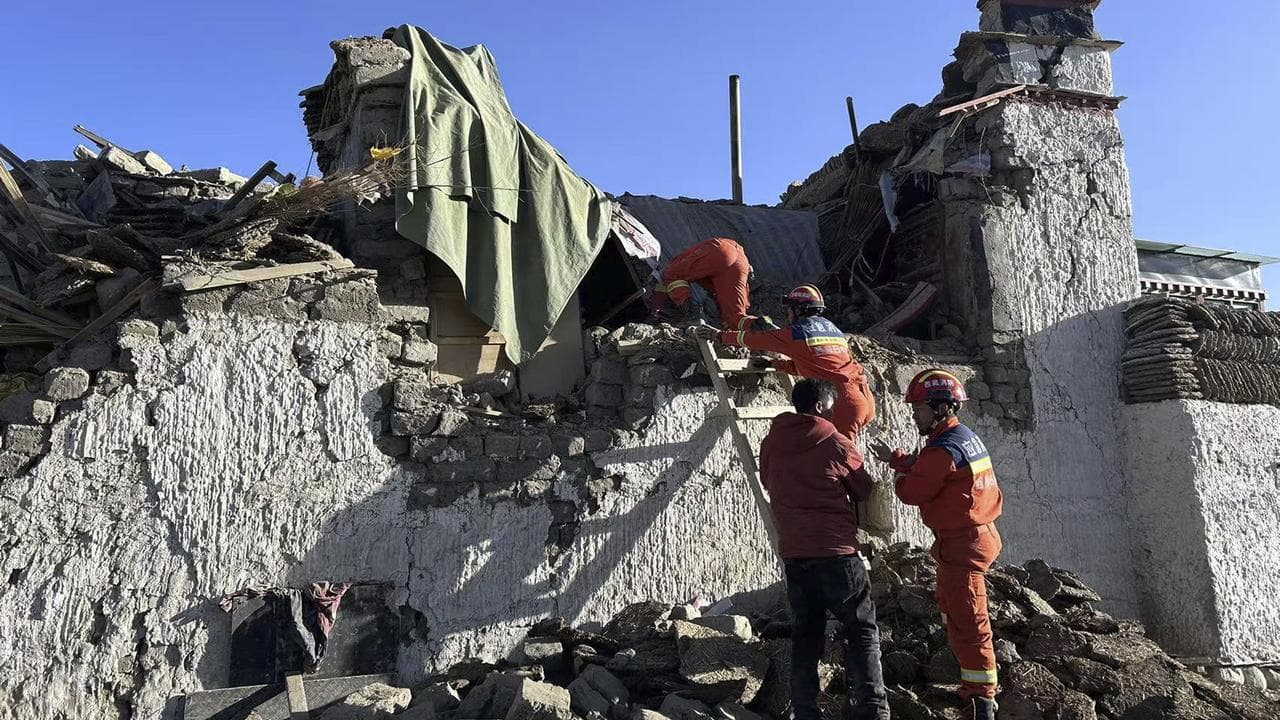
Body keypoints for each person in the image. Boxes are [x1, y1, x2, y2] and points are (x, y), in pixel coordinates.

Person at [870, 369, 1003, 720]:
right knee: (952, 607)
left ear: (941, 407)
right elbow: (931, 467)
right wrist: (898, 459)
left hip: (965, 544)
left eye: (919, 409)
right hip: (968, 538)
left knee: (970, 621)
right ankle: (970, 684)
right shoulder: (959, 438)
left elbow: (913, 490)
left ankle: (981, 700)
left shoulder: (943, 449)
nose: (915, 415)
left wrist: (898, 475)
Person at [759, 378, 889, 720]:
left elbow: (767, 479)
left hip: (795, 554)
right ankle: (874, 712)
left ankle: (806, 712)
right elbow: (863, 490)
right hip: (837, 553)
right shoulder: (836, 442)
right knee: (861, 631)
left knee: (806, 636)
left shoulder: (771, 442)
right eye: (831, 409)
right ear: (819, 407)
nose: (834, 415)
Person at [698, 284, 875, 437]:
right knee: (837, 460)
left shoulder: (798, 333)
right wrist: (776, 364)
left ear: (799, 310)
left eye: (789, 309)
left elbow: (756, 338)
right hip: (863, 398)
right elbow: (817, 366)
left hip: (842, 403)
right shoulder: (833, 330)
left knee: (838, 464)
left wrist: (719, 335)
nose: (788, 314)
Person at [650, 237, 761, 330]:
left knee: (670, 274)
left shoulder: (677, 262)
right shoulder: (707, 278)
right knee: (735, 317)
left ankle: (693, 315)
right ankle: (765, 329)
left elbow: (663, 278)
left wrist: (654, 312)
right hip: (741, 260)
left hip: (720, 249)